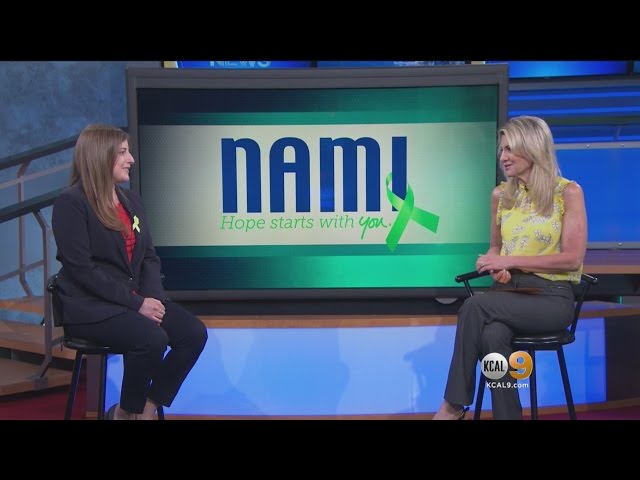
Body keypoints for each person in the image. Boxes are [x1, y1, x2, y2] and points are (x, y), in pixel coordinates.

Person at [433, 116, 587, 420]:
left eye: (510, 149)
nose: (502, 156)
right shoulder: (501, 196)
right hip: (507, 293)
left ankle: (453, 406)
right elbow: (496, 248)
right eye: (501, 149)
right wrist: (493, 264)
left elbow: (572, 258)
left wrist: (510, 260)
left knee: (474, 307)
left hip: (551, 298)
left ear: (533, 149)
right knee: (492, 337)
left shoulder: (567, 193)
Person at [52, 124, 208, 420]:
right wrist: (137, 304)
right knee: (152, 339)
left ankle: (147, 407)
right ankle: (125, 413)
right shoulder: (71, 204)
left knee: (193, 334)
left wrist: (153, 298)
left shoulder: (131, 201)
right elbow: (82, 270)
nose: (131, 159)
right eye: (123, 152)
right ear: (101, 156)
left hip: (134, 301)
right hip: (92, 308)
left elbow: (148, 256)